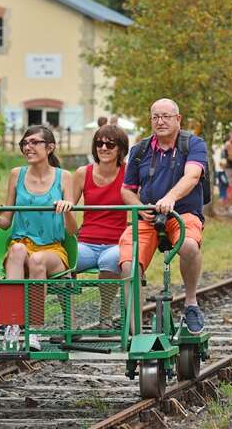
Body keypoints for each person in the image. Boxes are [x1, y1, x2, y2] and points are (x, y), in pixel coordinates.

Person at [119, 98, 208, 334]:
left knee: (189, 246)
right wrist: (140, 207)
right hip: (147, 218)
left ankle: (190, 303)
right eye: (156, 117)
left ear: (178, 119)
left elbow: (192, 176)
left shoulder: (193, 144)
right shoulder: (140, 150)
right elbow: (126, 190)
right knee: (129, 264)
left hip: (183, 213)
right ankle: (134, 330)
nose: (160, 121)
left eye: (166, 116)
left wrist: (170, 198)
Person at [0, 125, 77, 351]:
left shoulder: (64, 177)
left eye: (34, 142)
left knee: (37, 261)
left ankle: (33, 330)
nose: (28, 147)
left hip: (53, 249)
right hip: (23, 246)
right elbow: (6, 221)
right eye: (25, 143)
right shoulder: (17, 174)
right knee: (16, 250)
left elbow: (73, 231)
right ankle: (13, 325)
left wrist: (67, 209)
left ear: (50, 147)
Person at [73, 124, 129, 332]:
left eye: (110, 144)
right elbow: (68, 204)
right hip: (86, 241)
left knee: (110, 260)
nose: (103, 148)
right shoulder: (82, 173)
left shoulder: (128, 172)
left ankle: (105, 314)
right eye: (99, 143)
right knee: (63, 261)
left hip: (115, 242)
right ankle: (71, 319)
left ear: (120, 148)